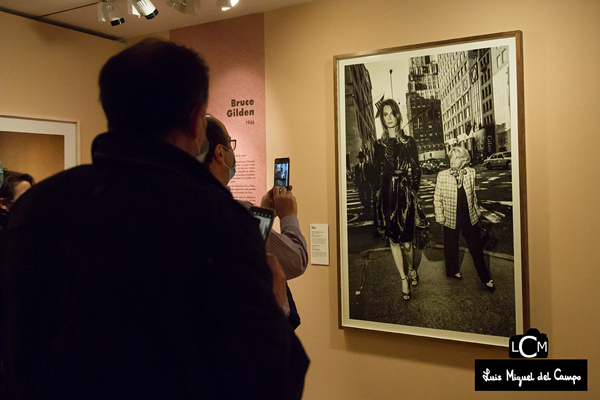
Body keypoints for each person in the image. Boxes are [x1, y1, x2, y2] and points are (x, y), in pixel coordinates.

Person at [0, 38, 308, 399]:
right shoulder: (217, 223)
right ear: (196, 119)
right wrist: (276, 305)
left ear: (111, 109)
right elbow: (266, 380)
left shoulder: (34, 207)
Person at [201, 116, 308, 329]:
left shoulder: (192, 204)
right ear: (220, 153)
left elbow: (250, 251)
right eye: (230, 145)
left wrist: (264, 213)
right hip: (257, 332)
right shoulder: (236, 212)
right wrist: (288, 217)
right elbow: (297, 261)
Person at [372, 99, 421, 301]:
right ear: (382, 119)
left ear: (398, 115)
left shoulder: (409, 142)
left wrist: (412, 191)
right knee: (393, 240)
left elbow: (416, 169)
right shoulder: (379, 144)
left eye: (392, 113)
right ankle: (403, 278)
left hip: (404, 195)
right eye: (385, 114)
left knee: (408, 244)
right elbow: (375, 174)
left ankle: (411, 268)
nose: (389, 117)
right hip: (386, 195)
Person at [433, 146, 495, 291]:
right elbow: (437, 198)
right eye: (451, 158)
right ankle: (452, 271)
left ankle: (485, 278)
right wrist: (440, 216)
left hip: (469, 217)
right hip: (449, 216)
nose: (452, 161)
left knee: (476, 248)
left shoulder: (471, 173)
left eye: (455, 158)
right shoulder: (442, 175)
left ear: (463, 160)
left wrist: (477, 212)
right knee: (450, 245)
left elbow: (473, 194)